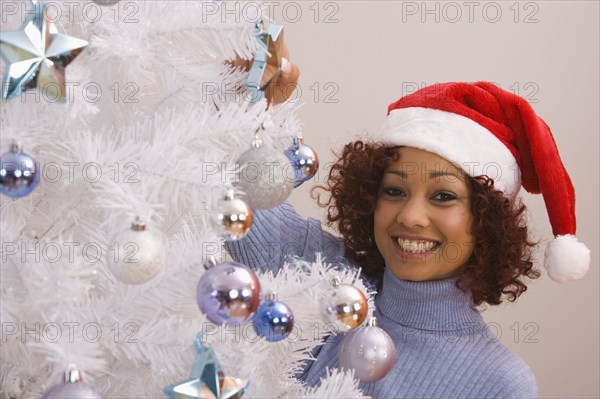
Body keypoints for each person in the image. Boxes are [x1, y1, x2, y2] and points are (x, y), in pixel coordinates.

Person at [225, 62, 591, 397]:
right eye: (395, 191)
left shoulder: (500, 382)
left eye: (443, 195)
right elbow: (224, 187)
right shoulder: (328, 277)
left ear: (487, 220)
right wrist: (249, 93)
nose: (411, 216)